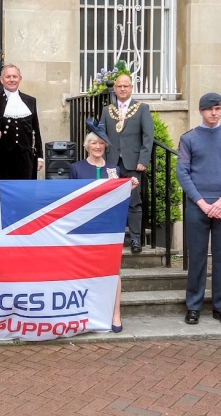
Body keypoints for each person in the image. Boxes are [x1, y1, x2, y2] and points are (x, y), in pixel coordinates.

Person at [177, 92, 221, 326]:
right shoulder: (189, 138)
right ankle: (194, 306)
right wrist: (202, 202)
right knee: (196, 257)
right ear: (201, 111)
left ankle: (220, 307)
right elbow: (182, 172)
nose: (214, 113)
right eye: (209, 109)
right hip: (198, 206)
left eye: (218, 109)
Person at [69, 119, 138, 333]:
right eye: (93, 143)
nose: (97, 147)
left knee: (113, 271)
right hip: (85, 228)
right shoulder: (76, 168)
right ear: (86, 145)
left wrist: (130, 185)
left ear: (105, 146)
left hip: (108, 229)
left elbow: (117, 197)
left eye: (101, 143)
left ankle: (115, 313)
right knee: (84, 272)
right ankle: (87, 312)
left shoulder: (114, 169)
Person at [98, 73, 153, 253]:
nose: (122, 89)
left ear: (131, 88)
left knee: (134, 201)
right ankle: (113, 237)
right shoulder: (107, 110)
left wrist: (143, 160)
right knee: (111, 201)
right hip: (111, 162)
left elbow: (148, 136)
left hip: (133, 163)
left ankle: (136, 239)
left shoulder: (142, 108)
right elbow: (101, 135)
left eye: (126, 86)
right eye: (119, 86)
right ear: (114, 88)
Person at [0, 64, 44, 179]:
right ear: (2, 80)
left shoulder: (30, 101)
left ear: (20, 79)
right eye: (8, 77)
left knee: (25, 194)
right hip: (1, 159)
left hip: (25, 159)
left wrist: (39, 157)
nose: (12, 80)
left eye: (14, 77)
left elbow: (35, 131)